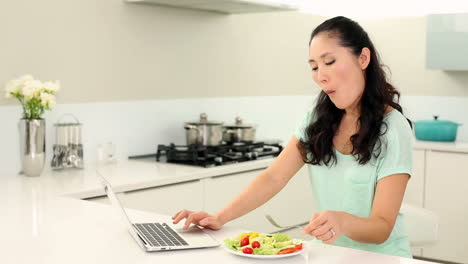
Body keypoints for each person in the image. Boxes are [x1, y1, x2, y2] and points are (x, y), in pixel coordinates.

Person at [172, 16, 414, 258]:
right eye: (314, 67)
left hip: (383, 259)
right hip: (328, 255)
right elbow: (274, 177)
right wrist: (219, 217)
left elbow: (382, 227)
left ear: (363, 58)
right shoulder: (318, 118)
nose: (321, 76)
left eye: (329, 62)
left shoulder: (394, 129)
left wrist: (341, 221)